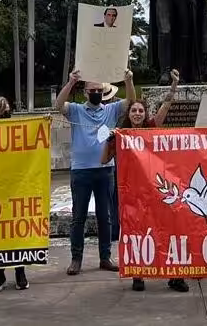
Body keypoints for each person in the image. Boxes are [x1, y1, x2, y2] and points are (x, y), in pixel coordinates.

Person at [101, 70, 186, 293]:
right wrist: (109, 142)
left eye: (141, 110)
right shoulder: (120, 135)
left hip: (156, 192)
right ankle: (138, 274)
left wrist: (174, 86)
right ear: (128, 114)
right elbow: (103, 160)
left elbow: (165, 108)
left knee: (165, 231)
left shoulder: (150, 129)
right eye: (134, 110)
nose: (137, 113)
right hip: (131, 195)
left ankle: (174, 275)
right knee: (134, 234)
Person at [56, 68, 133, 276]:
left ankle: (105, 257)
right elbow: (58, 105)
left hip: (105, 170)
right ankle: (76, 259)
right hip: (81, 170)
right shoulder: (76, 110)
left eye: (99, 90)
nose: (96, 93)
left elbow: (130, 103)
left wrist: (128, 81)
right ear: (85, 93)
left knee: (105, 216)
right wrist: (71, 82)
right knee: (78, 217)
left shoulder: (110, 110)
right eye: (92, 90)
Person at [0, 96, 29, 292]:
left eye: (7, 114)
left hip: (14, 187)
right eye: (0, 114)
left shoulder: (17, 131)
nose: (4, 117)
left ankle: (20, 271)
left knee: (16, 230)